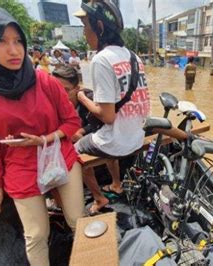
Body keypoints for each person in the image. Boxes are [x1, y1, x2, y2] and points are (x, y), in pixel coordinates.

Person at [0, 4, 84, 265]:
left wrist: (44, 139)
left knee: (78, 220)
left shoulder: (44, 80)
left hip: (59, 154)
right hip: (20, 164)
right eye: (2, 41)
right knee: (37, 234)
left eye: (18, 40)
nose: (14, 50)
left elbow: (72, 122)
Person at [74, 0, 150, 214]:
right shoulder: (134, 57)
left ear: (99, 27)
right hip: (135, 138)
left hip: (117, 142)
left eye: (85, 27)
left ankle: (99, 199)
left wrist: (82, 98)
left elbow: (107, 116)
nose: (84, 34)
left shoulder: (101, 60)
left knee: (73, 151)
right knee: (106, 135)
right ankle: (116, 183)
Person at [52, 65, 101, 141]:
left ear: (77, 89)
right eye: (55, 89)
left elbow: (102, 123)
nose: (59, 94)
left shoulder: (89, 100)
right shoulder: (49, 102)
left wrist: (82, 131)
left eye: (66, 90)